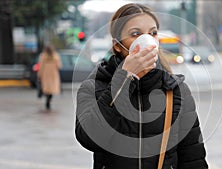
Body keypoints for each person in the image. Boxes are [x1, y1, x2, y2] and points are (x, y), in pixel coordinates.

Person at [75, 3, 208, 169]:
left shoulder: (176, 90)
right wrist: (125, 78)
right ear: (117, 45)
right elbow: (89, 138)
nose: (147, 40)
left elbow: (192, 158)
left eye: (153, 33)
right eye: (135, 34)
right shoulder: (94, 86)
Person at [38, 44, 62, 109]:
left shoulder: (43, 56)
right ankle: (49, 100)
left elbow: (41, 66)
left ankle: (47, 99)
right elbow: (59, 66)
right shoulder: (56, 56)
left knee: (46, 88)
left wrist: (39, 74)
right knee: (52, 89)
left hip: (45, 74)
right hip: (54, 74)